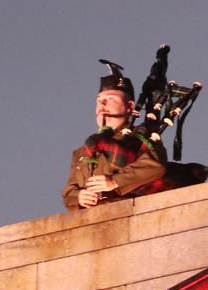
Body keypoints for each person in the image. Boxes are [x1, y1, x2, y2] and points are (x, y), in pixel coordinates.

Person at [62, 64, 167, 211]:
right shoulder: (80, 152)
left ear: (129, 107)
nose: (102, 104)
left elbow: (155, 166)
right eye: (99, 100)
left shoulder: (139, 137)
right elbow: (69, 191)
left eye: (111, 98)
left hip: (130, 212)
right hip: (90, 220)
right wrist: (79, 196)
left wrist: (115, 182)